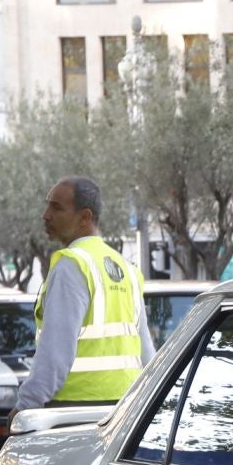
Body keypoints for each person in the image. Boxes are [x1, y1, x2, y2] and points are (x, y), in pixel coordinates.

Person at [14, 176, 152, 415]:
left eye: (56, 207)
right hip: (125, 410)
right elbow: (146, 352)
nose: (46, 215)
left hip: (73, 412)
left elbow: (55, 353)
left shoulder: (72, 265)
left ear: (85, 217)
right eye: (48, 205)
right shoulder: (127, 269)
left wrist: (26, 406)